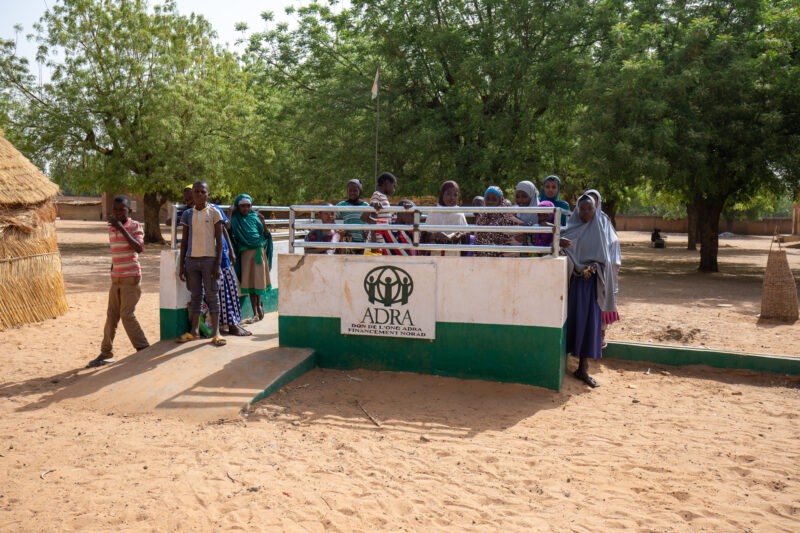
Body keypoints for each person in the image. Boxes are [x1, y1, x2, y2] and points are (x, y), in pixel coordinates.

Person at [86, 195, 149, 367]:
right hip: (116, 278)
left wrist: (121, 228)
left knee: (126, 314)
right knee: (111, 316)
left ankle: (144, 349)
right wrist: (113, 267)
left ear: (130, 210)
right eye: (115, 210)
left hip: (131, 278)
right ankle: (106, 353)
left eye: (122, 210)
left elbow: (139, 248)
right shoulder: (111, 228)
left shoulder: (135, 226)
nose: (118, 213)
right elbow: (117, 251)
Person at [561, 194, 617, 387]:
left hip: (591, 285)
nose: (586, 213)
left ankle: (583, 368)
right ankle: (571, 364)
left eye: (589, 209)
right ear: (577, 210)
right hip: (574, 284)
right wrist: (560, 243)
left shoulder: (599, 230)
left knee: (589, 324)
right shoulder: (570, 228)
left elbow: (605, 261)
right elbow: (561, 252)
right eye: (582, 209)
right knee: (573, 322)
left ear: (595, 210)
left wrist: (594, 268)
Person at [178, 181, 226, 346]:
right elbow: (184, 242)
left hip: (209, 260)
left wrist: (217, 264)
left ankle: (216, 333)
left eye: (202, 192)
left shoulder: (214, 213)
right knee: (196, 296)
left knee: (212, 295)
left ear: (208, 194)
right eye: (196, 192)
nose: (199, 195)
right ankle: (194, 332)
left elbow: (219, 242)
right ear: (192, 195)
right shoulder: (187, 215)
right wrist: (181, 265)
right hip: (191, 261)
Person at [584, 188, 621, 345]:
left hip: (603, 270)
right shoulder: (580, 219)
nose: (591, 203)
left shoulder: (604, 221)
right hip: (583, 270)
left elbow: (612, 245)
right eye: (588, 200)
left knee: (602, 301)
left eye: (594, 200)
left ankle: (600, 335)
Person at [230, 194, 273, 321]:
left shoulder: (255, 217)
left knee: (258, 280)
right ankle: (255, 311)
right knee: (249, 281)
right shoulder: (235, 219)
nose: (246, 209)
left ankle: (259, 305)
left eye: (248, 206)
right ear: (237, 206)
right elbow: (227, 227)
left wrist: (263, 222)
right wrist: (230, 213)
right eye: (242, 206)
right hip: (245, 253)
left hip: (258, 251)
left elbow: (265, 235)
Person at [474, 186, 521, 257]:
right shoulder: (481, 218)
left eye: (494, 199)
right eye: (488, 199)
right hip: (482, 260)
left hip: (501, 261)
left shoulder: (508, 220)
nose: (490, 202)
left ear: (500, 201)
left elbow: (514, 244)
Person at [425, 180, 468, 256]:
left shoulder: (459, 213)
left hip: (453, 254)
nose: (452, 198)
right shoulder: (434, 213)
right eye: (448, 194)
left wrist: (458, 236)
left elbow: (465, 235)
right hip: (435, 254)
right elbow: (424, 236)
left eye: (455, 195)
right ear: (442, 195)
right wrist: (436, 235)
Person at [362, 172, 397, 244]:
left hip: (382, 239)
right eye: (393, 186)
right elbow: (373, 218)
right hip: (377, 240)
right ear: (387, 183)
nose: (394, 189)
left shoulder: (383, 197)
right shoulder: (377, 195)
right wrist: (374, 242)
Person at [336, 179, 369, 252]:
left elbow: (369, 221)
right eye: (350, 191)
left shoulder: (365, 205)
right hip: (348, 239)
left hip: (362, 240)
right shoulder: (342, 205)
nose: (352, 193)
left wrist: (367, 231)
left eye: (355, 190)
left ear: (359, 191)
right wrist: (339, 230)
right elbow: (331, 217)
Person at [514, 180, 540, 247]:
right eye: (517, 196)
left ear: (531, 196)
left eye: (524, 196)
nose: (520, 200)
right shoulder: (514, 211)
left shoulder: (540, 212)